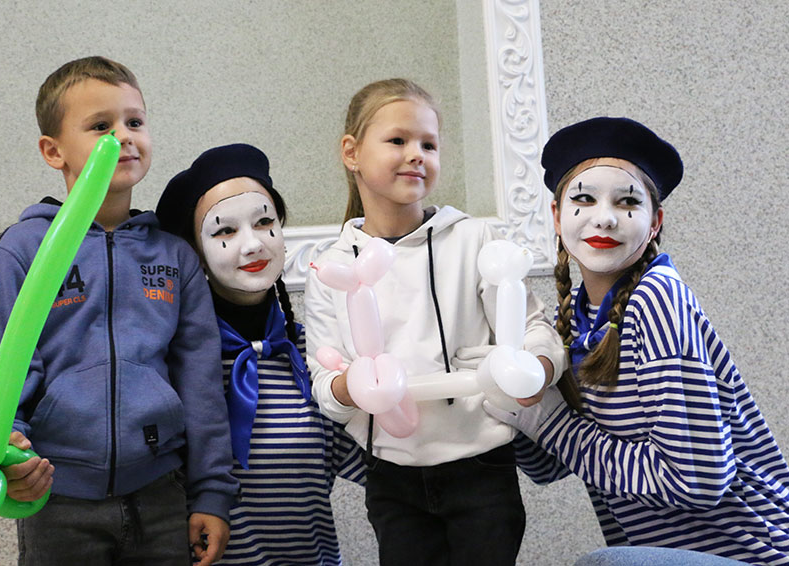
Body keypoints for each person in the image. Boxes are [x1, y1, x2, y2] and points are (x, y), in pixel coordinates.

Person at [0, 56, 238, 566]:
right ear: (54, 151)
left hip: (162, 491)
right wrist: (12, 455)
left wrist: (211, 493)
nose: (124, 137)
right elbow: (8, 368)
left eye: (134, 121)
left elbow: (200, 381)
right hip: (57, 497)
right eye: (100, 126)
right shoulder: (21, 249)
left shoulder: (174, 256)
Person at [483, 116, 789, 565]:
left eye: (627, 201)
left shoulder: (657, 297)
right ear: (557, 216)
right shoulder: (575, 319)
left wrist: (550, 424)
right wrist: (512, 404)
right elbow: (550, 467)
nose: (604, 217)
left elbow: (698, 480)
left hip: (759, 556)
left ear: (654, 223)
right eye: (584, 199)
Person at [303, 78, 567, 565]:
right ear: (352, 152)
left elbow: (536, 331)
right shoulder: (332, 268)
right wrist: (352, 385)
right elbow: (325, 390)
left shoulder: (474, 240)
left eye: (429, 144)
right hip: (391, 477)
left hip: (482, 469)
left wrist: (536, 369)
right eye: (398, 140)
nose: (416, 155)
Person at [155, 142, 366, 566]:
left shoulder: (318, 354)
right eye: (225, 231)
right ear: (196, 252)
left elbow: (381, 464)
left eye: (264, 221)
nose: (252, 245)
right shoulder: (174, 367)